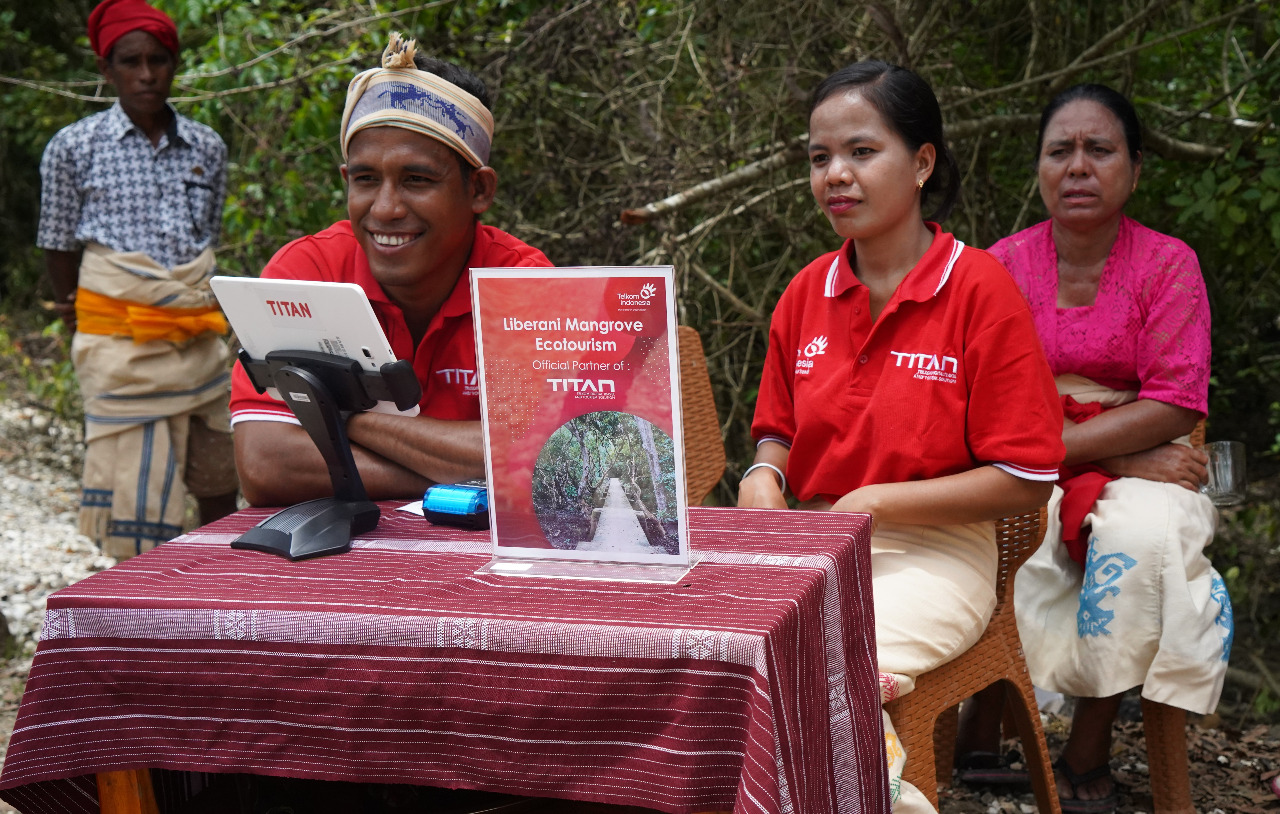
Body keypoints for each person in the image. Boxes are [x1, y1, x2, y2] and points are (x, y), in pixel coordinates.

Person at [736, 60, 1065, 813]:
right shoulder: (804, 292)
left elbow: (1027, 475)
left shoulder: (979, 288)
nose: (835, 176)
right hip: (813, 544)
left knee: (812, 677)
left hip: (937, 553)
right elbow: (775, 433)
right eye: (820, 159)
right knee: (722, 660)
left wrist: (882, 502)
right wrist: (765, 474)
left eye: (860, 151)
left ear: (921, 163)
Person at [955, 85, 1232, 814]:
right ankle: (982, 720)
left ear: (1134, 170)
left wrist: (1094, 455)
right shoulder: (995, 269)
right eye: (1060, 151)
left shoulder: (1169, 265)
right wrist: (1097, 459)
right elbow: (969, 401)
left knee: (1145, 537)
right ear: (1040, 169)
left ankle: (1089, 739)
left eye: (1099, 149)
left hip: (1143, 448)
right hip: (1022, 451)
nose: (1078, 166)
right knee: (997, 524)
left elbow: (1174, 402)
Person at [230, 34, 551, 505]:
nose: (385, 209)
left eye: (417, 180)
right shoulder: (305, 273)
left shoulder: (525, 285)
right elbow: (265, 465)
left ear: (479, 190)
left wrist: (343, 418)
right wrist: (468, 469)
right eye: (365, 180)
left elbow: (547, 458)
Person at [37, 0, 238, 560]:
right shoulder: (74, 148)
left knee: (218, 476)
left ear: (175, 65)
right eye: (131, 62)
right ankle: (144, 599)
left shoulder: (206, 147)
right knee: (134, 495)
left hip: (198, 342)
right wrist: (83, 313)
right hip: (119, 348)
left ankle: (218, 581)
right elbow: (57, 244)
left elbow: (206, 242)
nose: (146, 74)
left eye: (159, 60)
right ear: (107, 70)